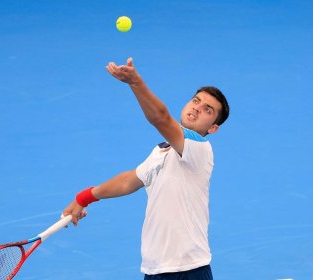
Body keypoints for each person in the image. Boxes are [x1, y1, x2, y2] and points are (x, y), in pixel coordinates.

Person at [62, 57, 230, 280]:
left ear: (214, 128)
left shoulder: (199, 148)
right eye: (195, 101)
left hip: (188, 270)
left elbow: (160, 118)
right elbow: (129, 180)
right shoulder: (162, 151)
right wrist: (85, 197)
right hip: (155, 269)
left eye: (207, 109)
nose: (197, 108)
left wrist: (136, 83)